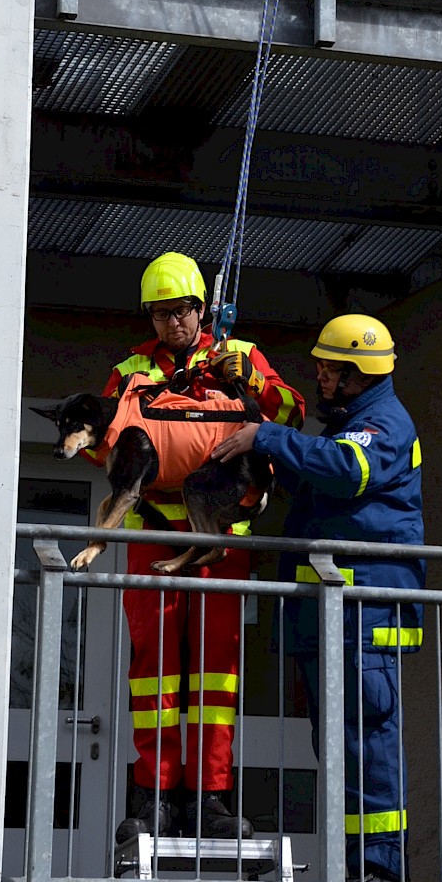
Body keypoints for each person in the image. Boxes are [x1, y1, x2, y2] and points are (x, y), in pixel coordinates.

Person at [212, 314, 424, 882]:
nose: (321, 378)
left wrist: (269, 436)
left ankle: (379, 871)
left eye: (329, 369)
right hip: (335, 619)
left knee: (366, 748)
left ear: (356, 373)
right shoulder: (349, 422)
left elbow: (344, 472)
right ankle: (354, 870)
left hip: (364, 616)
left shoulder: (383, 424)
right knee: (340, 748)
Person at [103, 252, 305, 840]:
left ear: (201, 309)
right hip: (154, 532)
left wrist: (254, 378)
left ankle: (210, 798)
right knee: (153, 667)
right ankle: (151, 797)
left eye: (181, 312)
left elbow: (290, 414)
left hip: (223, 538)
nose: (171, 324)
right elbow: (104, 452)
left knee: (216, 670)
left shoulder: (237, 357)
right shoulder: (131, 368)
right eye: (160, 314)